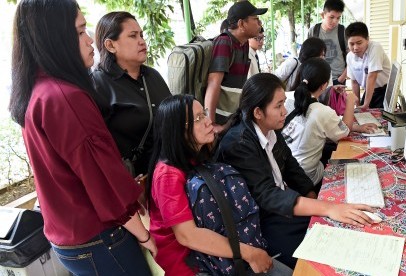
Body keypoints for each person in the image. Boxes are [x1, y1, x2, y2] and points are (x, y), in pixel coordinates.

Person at [9, 0, 156, 275]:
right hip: (99, 238)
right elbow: (103, 182)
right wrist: (146, 237)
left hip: (67, 238)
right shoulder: (66, 98)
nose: (90, 41)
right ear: (54, 38)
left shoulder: (38, 90)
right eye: (80, 32)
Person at [215, 73, 376, 268]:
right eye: (278, 106)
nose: (284, 111)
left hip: (281, 206)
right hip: (262, 221)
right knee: (327, 255)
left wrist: (315, 200)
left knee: (340, 224)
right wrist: (327, 208)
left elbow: (292, 167)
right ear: (258, 112)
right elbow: (268, 196)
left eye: (284, 103)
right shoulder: (239, 144)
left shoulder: (269, 129)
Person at [146, 95, 292, 275]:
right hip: (192, 264)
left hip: (218, 251)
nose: (208, 121)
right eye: (198, 119)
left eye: (204, 114)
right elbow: (188, 236)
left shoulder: (194, 158)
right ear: (176, 131)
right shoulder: (167, 175)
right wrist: (249, 253)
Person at [91, 11, 171, 177]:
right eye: (133, 36)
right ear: (110, 45)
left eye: (141, 35)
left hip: (167, 174)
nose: (142, 41)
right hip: (132, 182)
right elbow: (96, 146)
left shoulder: (153, 76)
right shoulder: (98, 84)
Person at [282, 58, 378, 185]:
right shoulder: (322, 111)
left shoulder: (287, 100)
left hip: (285, 171)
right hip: (305, 177)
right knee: (345, 158)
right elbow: (345, 132)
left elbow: (320, 123)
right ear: (324, 85)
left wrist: (357, 127)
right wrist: (350, 102)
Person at [204, 0, 267, 132]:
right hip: (220, 121)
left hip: (232, 119)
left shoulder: (243, 45)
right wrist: (211, 124)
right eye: (255, 19)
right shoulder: (224, 42)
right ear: (241, 24)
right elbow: (213, 83)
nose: (260, 24)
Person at [346, 22, 391, 109]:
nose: (355, 48)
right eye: (351, 44)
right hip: (369, 90)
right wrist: (358, 104)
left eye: (359, 43)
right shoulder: (349, 57)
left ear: (367, 39)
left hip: (383, 91)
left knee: (379, 119)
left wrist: (366, 105)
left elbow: (372, 76)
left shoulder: (375, 48)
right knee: (362, 115)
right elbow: (354, 82)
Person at [308, 0, 348, 86]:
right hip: (318, 79)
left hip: (338, 78)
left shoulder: (342, 31)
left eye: (338, 18)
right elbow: (307, 55)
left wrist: (342, 78)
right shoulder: (313, 31)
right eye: (331, 17)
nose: (335, 21)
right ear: (323, 15)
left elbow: (352, 56)